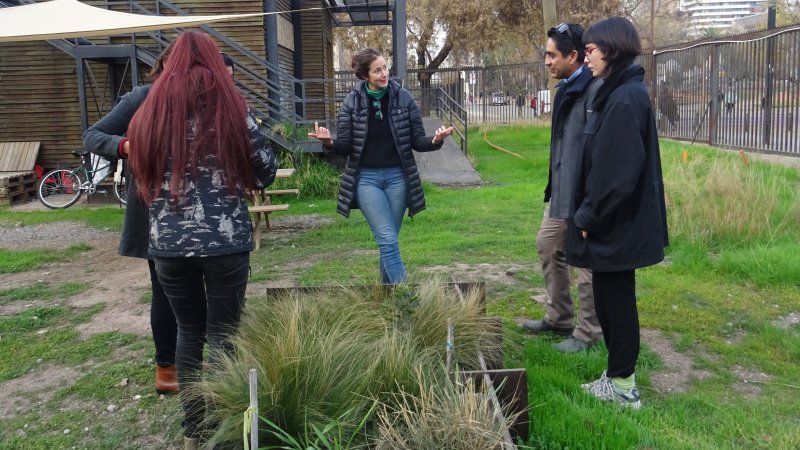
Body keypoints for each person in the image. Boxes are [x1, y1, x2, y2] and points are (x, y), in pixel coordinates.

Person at [127, 31, 277, 446]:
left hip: (168, 246)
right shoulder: (232, 107)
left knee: (189, 332)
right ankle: (228, 422)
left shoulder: (147, 111)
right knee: (224, 334)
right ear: (214, 62)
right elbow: (264, 169)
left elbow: (139, 174)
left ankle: (195, 430)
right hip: (224, 242)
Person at [569, 16, 668, 409]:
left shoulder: (625, 97)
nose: (586, 57)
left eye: (590, 50)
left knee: (617, 302)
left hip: (616, 223)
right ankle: (616, 376)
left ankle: (625, 387)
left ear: (609, 49)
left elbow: (617, 172)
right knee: (609, 298)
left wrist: (589, 217)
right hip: (616, 222)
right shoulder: (617, 91)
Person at [83, 42, 190, 396]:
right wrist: (128, 146)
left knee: (199, 289)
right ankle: (167, 368)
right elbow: (94, 135)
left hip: (199, 211)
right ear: (166, 65)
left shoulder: (208, 97)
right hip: (152, 208)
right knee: (163, 291)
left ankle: (193, 360)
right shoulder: (142, 97)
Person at [308, 48, 453, 284]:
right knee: (386, 237)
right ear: (365, 76)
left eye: (385, 68)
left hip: (398, 178)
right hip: (366, 180)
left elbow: (417, 140)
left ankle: (388, 298)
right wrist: (329, 142)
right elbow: (345, 146)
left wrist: (435, 141)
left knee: (389, 241)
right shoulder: (351, 102)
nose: (384, 74)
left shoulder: (404, 98)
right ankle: (406, 299)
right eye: (377, 71)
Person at [521, 23, 603, 353]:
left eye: (552, 55)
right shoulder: (567, 88)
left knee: (585, 263)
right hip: (561, 192)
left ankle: (588, 333)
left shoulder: (594, 90)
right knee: (547, 244)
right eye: (546, 54)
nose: (547, 61)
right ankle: (559, 317)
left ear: (573, 56)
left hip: (583, 196)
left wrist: (590, 202)